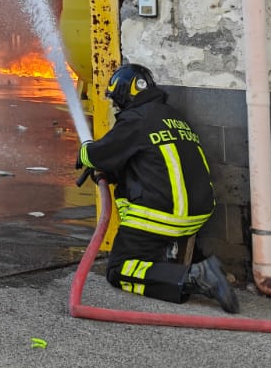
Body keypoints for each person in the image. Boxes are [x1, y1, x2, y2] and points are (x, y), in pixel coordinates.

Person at [78, 62, 239, 313]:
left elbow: (99, 154)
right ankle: (185, 262)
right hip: (198, 215)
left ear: (124, 94)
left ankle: (196, 276)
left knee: (119, 269)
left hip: (161, 218)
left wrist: (84, 154)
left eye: (115, 101)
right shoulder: (172, 115)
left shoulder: (135, 119)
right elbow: (149, 162)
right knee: (147, 254)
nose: (115, 107)